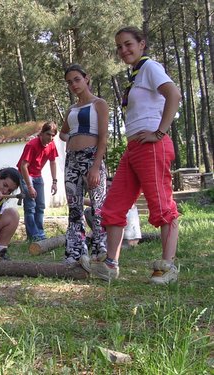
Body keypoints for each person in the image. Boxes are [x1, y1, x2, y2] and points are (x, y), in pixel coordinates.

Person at [83, 26, 181, 284]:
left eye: (128, 44)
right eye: (119, 46)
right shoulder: (136, 76)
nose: (123, 50)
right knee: (114, 206)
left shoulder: (150, 67)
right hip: (133, 148)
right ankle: (110, 265)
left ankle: (167, 268)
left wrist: (160, 133)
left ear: (142, 44)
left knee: (161, 204)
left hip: (152, 146)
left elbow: (174, 94)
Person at [59, 64, 109, 266]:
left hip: (92, 159)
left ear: (86, 78)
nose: (74, 85)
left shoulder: (99, 104)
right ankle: (75, 252)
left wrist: (96, 166)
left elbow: (104, 138)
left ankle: (101, 250)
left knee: (98, 207)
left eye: (77, 79)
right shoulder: (71, 109)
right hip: (71, 161)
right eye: (69, 82)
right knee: (74, 208)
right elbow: (62, 133)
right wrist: (72, 135)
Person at [16, 122, 59, 242]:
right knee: (30, 207)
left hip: (38, 175)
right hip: (26, 175)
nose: (50, 138)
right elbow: (24, 166)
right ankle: (33, 235)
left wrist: (54, 181)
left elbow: (52, 162)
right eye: (48, 134)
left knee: (40, 205)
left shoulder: (51, 144)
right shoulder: (32, 145)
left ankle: (40, 232)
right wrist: (29, 186)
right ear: (42, 133)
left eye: (52, 135)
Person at [84, 178, 141, 249]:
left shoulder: (120, 198)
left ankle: (92, 239)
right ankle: (92, 238)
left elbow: (95, 203)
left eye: (109, 186)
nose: (107, 189)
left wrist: (77, 199)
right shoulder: (116, 198)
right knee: (92, 211)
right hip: (120, 239)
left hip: (128, 241)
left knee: (91, 211)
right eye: (106, 187)